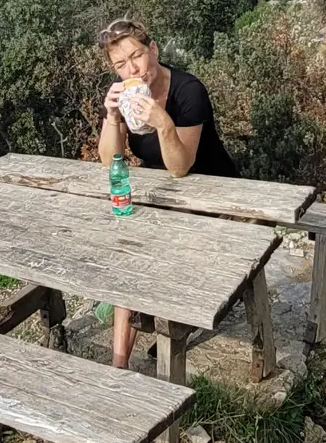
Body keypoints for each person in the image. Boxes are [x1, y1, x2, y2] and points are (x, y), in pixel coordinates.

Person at [95, 18, 236, 366]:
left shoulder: (188, 91)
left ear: (153, 50)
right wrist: (112, 117)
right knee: (127, 246)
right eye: (120, 64)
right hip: (162, 191)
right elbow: (108, 159)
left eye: (137, 56)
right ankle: (118, 366)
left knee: (150, 250)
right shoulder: (126, 93)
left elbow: (180, 167)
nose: (132, 69)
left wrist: (162, 123)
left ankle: (166, 324)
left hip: (213, 188)